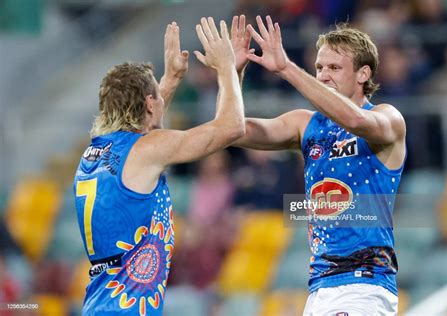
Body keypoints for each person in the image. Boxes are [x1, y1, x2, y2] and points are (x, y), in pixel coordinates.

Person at [230, 15, 406, 315]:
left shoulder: (388, 117)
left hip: (364, 286)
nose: (323, 76)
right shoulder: (305, 124)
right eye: (319, 68)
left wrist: (286, 68)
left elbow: (355, 119)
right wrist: (233, 72)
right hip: (318, 288)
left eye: (334, 68)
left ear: (363, 73)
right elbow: (233, 130)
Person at [73, 17, 244, 315]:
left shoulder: (94, 153)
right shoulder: (146, 150)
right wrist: (227, 67)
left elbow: (142, 134)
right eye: (156, 98)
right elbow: (231, 127)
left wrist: (171, 79)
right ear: (150, 104)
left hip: (99, 304)